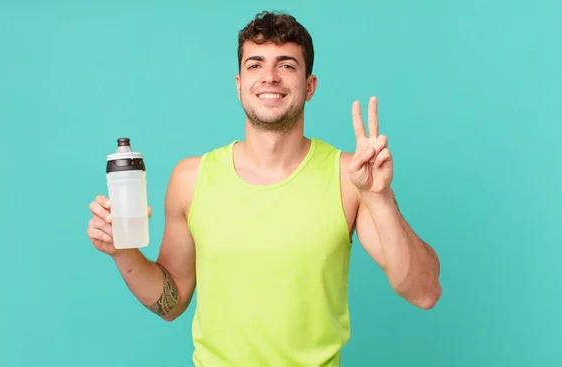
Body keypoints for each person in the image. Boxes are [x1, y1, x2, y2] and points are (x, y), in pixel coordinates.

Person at [87, 10, 442, 367]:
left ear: (310, 85)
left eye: (286, 65)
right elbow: (172, 301)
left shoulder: (350, 177)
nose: (269, 77)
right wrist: (123, 253)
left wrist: (379, 199)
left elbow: (424, 292)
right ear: (239, 83)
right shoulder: (191, 179)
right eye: (255, 65)